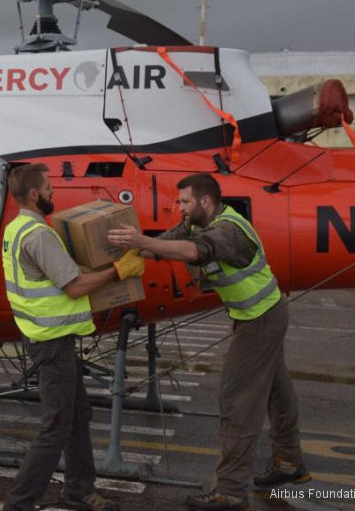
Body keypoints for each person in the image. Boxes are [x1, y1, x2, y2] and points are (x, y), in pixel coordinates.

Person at [107, 173, 309, 511]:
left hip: (261, 320)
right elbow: (173, 239)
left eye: (185, 201)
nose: (179, 207)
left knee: (237, 402)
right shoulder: (198, 222)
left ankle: (230, 491)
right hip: (260, 314)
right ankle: (289, 462)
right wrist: (139, 248)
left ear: (205, 200)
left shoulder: (228, 231)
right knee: (276, 391)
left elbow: (191, 251)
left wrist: (142, 240)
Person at [1, 163, 145, 511]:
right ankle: (18, 504)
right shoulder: (38, 235)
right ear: (35, 194)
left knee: (76, 416)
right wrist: (117, 270)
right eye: (49, 187)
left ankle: (80, 491)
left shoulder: (16, 229)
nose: (53, 192)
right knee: (56, 428)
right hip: (50, 343)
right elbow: (74, 285)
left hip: (50, 339)